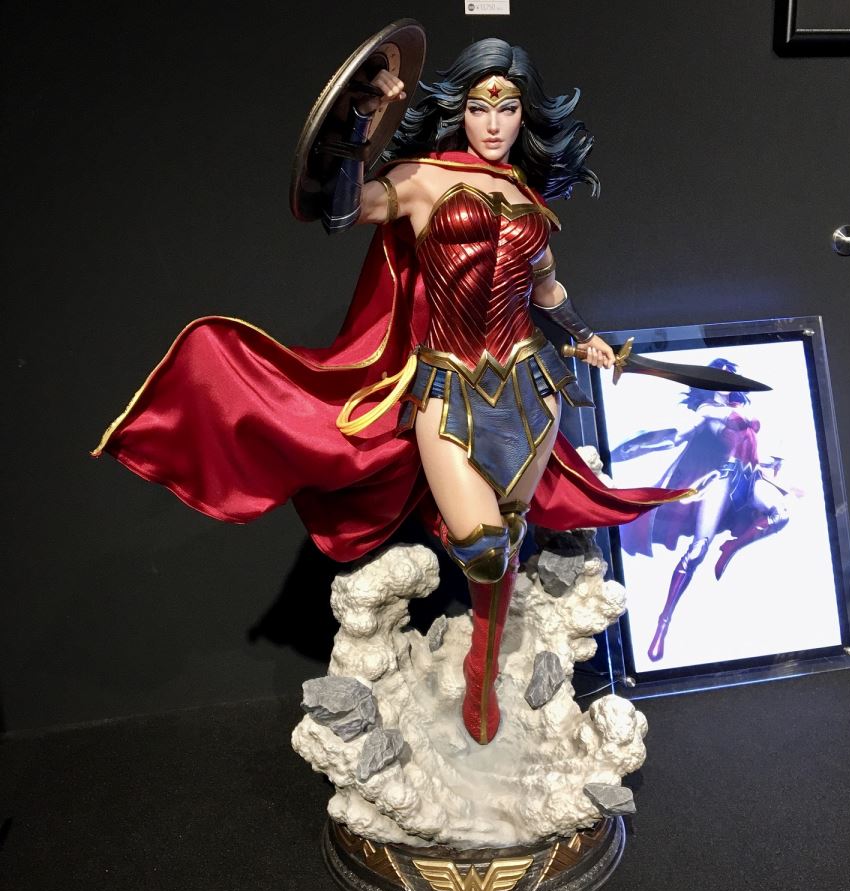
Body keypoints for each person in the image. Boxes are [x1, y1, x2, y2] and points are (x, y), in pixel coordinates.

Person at [93, 38, 689, 744]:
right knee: (481, 547)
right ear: (460, 111)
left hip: (532, 386)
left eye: (507, 108)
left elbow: (547, 289)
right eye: (479, 107)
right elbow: (343, 212)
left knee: (509, 533)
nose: (493, 123)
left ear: (525, 116)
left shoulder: (529, 199)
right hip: (449, 383)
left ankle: (486, 653)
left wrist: (589, 337)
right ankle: (479, 668)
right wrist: (357, 121)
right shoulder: (420, 177)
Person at [616, 360, 790, 663]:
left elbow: (751, 452)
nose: (730, 381)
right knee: (697, 551)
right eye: (723, 376)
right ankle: (663, 623)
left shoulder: (740, 409)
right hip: (723, 480)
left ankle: (731, 548)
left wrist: (770, 462)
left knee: (781, 513)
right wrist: (638, 445)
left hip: (750, 479)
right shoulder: (707, 411)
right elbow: (677, 436)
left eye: (732, 376)